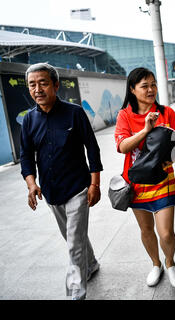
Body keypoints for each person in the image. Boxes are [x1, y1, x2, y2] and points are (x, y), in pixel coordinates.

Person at [20, 63, 103, 300]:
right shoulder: (28, 121)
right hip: (51, 191)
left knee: (73, 244)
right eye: (32, 85)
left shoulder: (74, 113)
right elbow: (26, 155)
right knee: (72, 236)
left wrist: (94, 184)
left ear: (56, 85)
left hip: (78, 187)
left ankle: (75, 294)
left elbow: (92, 149)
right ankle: (92, 263)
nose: (37, 89)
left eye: (43, 83)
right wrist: (31, 183)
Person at [114, 67, 175, 288]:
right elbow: (122, 147)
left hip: (163, 180)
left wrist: (170, 161)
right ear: (132, 90)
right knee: (146, 230)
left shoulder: (167, 113)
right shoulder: (124, 115)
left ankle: (170, 263)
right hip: (135, 184)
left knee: (166, 232)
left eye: (153, 84)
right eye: (144, 86)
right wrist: (145, 130)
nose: (151, 89)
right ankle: (156, 264)